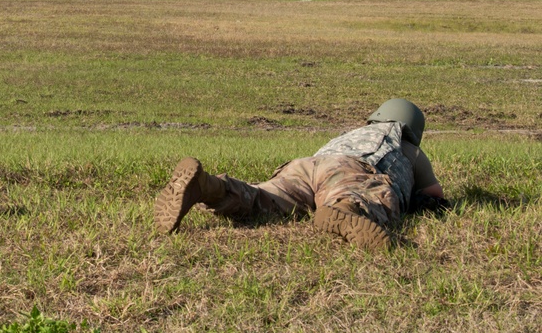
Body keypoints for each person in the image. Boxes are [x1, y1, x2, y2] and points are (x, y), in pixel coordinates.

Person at [154, 99, 448, 250]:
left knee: (263, 197)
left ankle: (209, 186)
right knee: (359, 196)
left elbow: (326, 162)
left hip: (308, 165)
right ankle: (342, 211)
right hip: (352, 170)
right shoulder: (408, 148)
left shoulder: (353, 133)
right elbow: (434, 196)